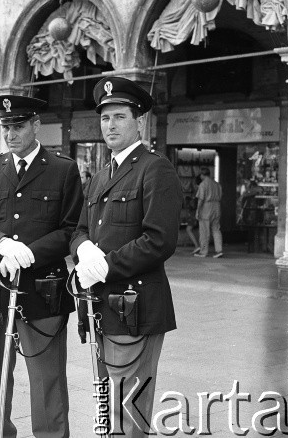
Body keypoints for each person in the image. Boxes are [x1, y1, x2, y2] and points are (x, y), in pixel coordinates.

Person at [70, 77, 183, 436]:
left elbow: (159, 240)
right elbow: (79, 230)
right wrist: (83, 249)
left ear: (139, 121)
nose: (110, 125)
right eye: (105, 118)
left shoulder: (155, 169)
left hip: (135, 305)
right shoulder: (101, 176)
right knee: (107, 405)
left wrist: (104, 266)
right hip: (102, 308)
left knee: (129, 412)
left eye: (119, 116)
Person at [0, 95, 83, 438]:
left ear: (36, 125)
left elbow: (72, 229)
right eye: (6, 128)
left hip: (43, 288)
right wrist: (2, 244)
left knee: (47, 378)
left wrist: (28, 252)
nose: (10, 134)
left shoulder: (63, 169)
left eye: (18, 126)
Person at [194, 166, 223, 258]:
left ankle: (204, 251)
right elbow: (221, 196)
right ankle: (219, 250)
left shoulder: (203, 184)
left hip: (206, 207)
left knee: (204, 231)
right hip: (217, 206)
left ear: (202, 175)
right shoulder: (217, 184)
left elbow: (201, 199)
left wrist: (198, 211)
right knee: (216, 229)